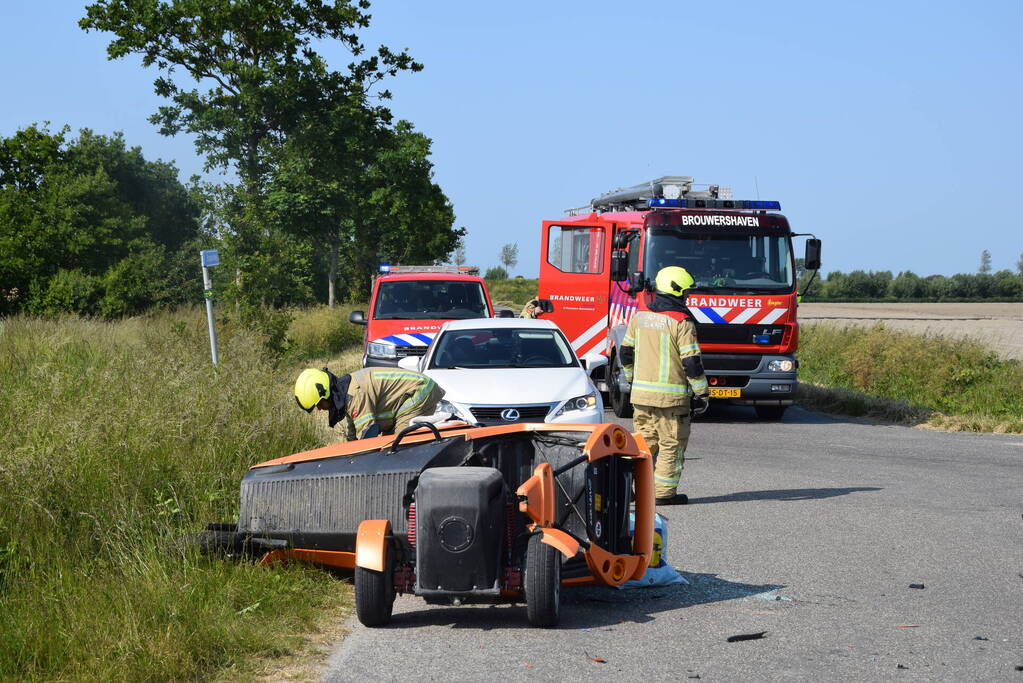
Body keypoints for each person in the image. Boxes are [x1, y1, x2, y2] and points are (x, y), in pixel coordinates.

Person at [620, 266, 710, 505]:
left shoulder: (639, 317)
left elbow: (625, 353)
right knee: (671, 445)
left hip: (640, 397)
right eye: (685, 293)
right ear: (676, 290)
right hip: (671, 401)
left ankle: (630, 490)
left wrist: (632, 380)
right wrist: (702, 393)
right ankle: (662, 494)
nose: (687, 297)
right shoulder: (681, 322)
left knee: (643, 444)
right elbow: (692, 363)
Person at [294, 366, 445, 442]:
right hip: (410, 393)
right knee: (389, 446)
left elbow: (368, 436)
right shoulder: (344, 393)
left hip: (419, 390)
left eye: (319, 404)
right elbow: (353, 430)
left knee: (401, 445)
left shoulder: (354, 395)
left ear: (325, 392)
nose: (319, 409)